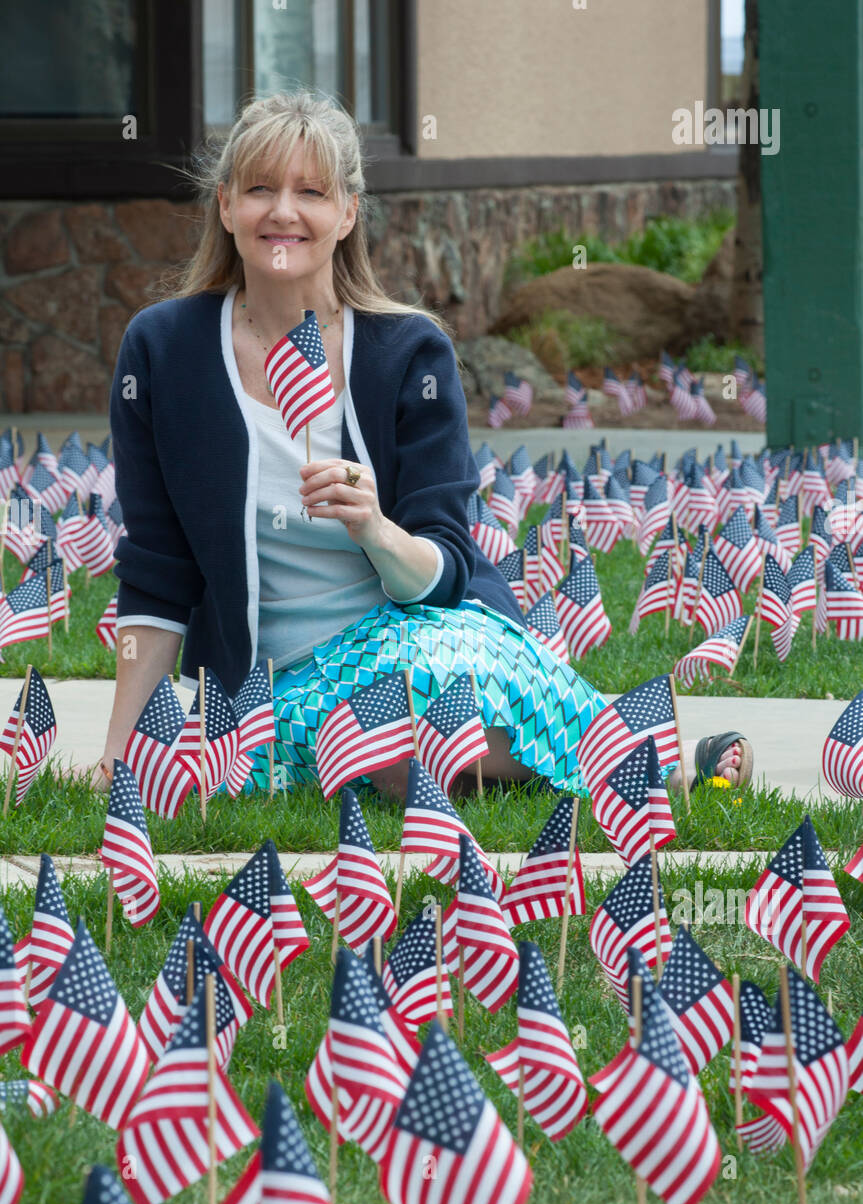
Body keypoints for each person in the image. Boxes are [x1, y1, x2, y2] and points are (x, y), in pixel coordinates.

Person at [96, 88, 751, 799]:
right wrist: (119, 761)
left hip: (417, 636)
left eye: (310, 192)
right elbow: (156, 572)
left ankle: (652, 765)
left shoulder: (408, 352)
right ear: (225, 206)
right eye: (259, 189)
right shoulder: (163, 351)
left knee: (425, 714)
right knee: (385, 754)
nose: (282, 212)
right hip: (268, 687)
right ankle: (603, 745)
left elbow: (444, 571)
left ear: (347, 212)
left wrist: (375, 528)